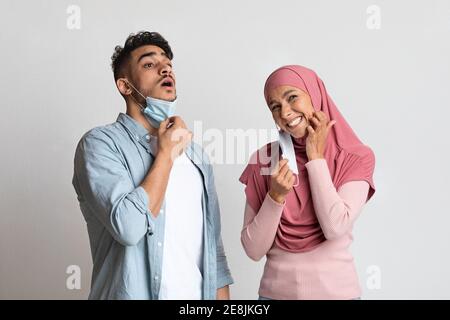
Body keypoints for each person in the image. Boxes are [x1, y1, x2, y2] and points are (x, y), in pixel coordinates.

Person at [72, 31, 233, 300]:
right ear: (125, 86)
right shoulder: (99, 144)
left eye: (167, 65)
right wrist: (167, 154)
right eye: (149, 64)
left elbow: (214, 254)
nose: (164, 69)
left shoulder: (196, 156)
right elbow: (129, 227)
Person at [239, 65, 375, 300]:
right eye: (275, 106)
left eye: (292, 97)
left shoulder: (355, 156)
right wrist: (275, 197)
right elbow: (253, 249)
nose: (286, 112)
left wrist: (315, 158)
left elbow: (335, 227)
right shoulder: (264, 160)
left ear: (315, 94)